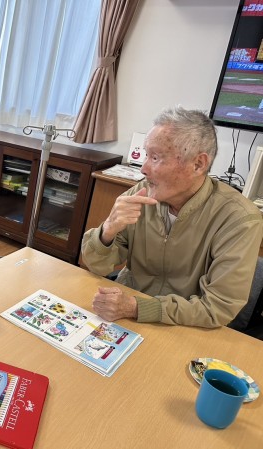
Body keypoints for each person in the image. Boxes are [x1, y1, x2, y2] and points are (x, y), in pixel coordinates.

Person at [81, 106, 263, 328]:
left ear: (198, 164)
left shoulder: (239, 219)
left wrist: (137, 307)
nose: (143, 169)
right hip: (127, 312)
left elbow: (219, 307)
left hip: (185, 325)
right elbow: (95, 265)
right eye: (146, 155)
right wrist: (108, 230)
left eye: (155, 157)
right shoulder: (141, 193)